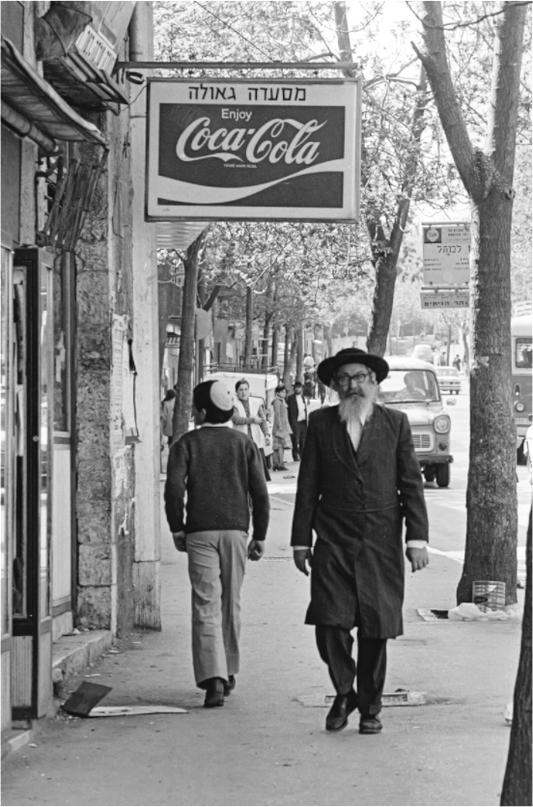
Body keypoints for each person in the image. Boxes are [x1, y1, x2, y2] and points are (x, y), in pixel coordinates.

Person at [291, 347, 429, 735]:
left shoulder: (395, 423)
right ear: (335, 385)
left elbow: (411, 485)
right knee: (329, 621)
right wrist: (300, 541)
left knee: (375, 628)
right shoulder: (320, 423)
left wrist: (417, 538)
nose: (353, 385)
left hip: (381, 539)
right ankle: (343, 691)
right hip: (333, 536)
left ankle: (369, 708)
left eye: (360, 378)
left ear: (374, 382)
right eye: (345, 379)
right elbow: (307, 486)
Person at [165, 379, 270, 708]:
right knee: (231, 603)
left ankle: (214, 680)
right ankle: (230, 669)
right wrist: (260, 535)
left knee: (205, 603)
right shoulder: (243, 443)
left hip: (199, 533)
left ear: (199, 411)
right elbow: (260, 494)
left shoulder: (186, 443)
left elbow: (173, 490)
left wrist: (177, 528)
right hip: (237, 532)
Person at [232, 379, 271, 481]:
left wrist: (266, 434)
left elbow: (262, 420)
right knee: (243, 475)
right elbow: (236, 419)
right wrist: (253, 419)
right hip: (241, 442)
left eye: (245, 389)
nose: (243, 392)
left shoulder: (256, 402)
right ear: (236, 391)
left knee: (258, 475)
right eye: (240, 390)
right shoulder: (233, 403)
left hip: (255, 442)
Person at [271, 384, 292, 471]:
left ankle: (277, 464)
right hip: (279, 427)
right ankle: (279, 464)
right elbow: (277, 414)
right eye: (282, 391)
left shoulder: (281, 401)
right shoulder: (277, 401)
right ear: (277, 392)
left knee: (279, 446)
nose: (284, 393)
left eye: (284, 392)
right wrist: (279, 425)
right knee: (280, 446)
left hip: (282, 426)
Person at [287, 381, 308, 461]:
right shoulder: (290, 398)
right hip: (295, 421)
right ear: (294, 388)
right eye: (296, 387)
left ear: (301, 388)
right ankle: (295, 455)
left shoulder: (303, 398)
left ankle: (302, 454)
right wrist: (291, 423)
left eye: (299, 387)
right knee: (295, 439)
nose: (298, 389)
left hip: (303, 421)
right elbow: (289, 411)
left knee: (303, 439)